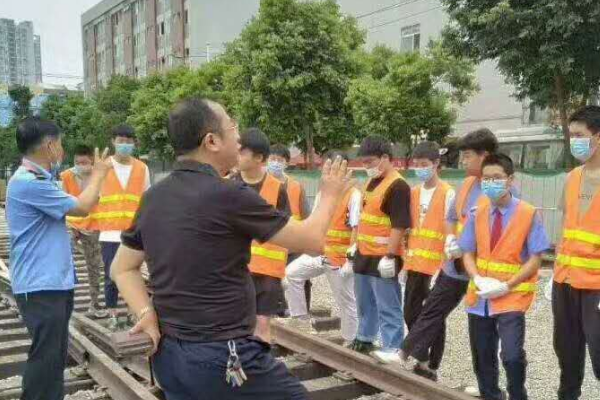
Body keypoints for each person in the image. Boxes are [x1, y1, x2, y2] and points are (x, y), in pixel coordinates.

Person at [110, 97, 353, 400]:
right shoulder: (229, 195)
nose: (238, 136)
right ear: (211, 141)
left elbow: (122, 267)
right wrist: (329, 194)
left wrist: (145, 312)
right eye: (232, 125)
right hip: (222, 356)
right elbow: (311, 240)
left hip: (169, 358)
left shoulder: (154, 196)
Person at [6, 117, 111, 400]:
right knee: (46, 358)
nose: (62, 150)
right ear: (50, 146)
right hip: (40, 285)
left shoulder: (39, 179)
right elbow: (82, 207)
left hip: (52, 282)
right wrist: (99, 173)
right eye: (60, 144)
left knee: (53, 356)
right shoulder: (29, 183)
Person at [393, 128, 501, 376]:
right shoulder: (466, 185)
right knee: (431, 310)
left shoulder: (498, 188)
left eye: (467, 156)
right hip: (455, 266)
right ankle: (408, 355)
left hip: (483, 271)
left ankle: (489, 386)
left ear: (484, 155)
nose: (462, 161)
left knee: (484, 331)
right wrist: (453, 237)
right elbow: (452, 217)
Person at [460, 153, 549, 400]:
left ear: (510, 180)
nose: (490, 183)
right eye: (486, 179)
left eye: (496, 178)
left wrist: (507, 285)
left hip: (511, 297)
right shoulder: (477, 212)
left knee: (511, 355)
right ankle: (491, 395)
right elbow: (467, 251)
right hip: (480, 299)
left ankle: (517, 394)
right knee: (483, 355)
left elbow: (535, 258)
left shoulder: (528, 213)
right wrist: (477, 278)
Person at [372, 141, 455, 380]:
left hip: (436, 267)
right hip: (415, 265)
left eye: (424, 164)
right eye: (416, 165)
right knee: (411, 313)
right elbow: (410, 232)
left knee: (434, 315)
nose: (420, 169)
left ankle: (430, 364)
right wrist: (405, 264)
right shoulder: (414, 192)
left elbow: (451, 232)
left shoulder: (448, 193)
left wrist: (444, 266)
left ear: (436, 164)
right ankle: (423, 356)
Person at [283, 150, 360, 344]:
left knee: (346, 301)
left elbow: (356, 226)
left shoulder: (354, 195)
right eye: (327, 167)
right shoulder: (322, 193)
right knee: (292, 273)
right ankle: (300, 318)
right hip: (322, 252)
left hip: (341, 258)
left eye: (334, 167)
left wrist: (350, 260)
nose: (329, 172)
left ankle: (351, 341)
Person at [553, 105, 600, 400]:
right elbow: (566, 228)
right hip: (565, 281)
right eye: (571, 135)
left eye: (579, 135)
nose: (574, 141)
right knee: (566, 350)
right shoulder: (571, 178)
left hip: (596, 285)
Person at [349, 135, 411, 355]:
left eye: (370, 162)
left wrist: (391, 256)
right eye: (364, 162)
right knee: (365, 303)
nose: (366, 167)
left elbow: (400, 224)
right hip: (365, 254)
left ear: (385, 158)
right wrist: (355, 246)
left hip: (384, 256)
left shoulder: (398, 186)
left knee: (388, 305)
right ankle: (365, 337)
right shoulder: (370, 182)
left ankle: (392, 347)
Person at [231, 128, 290, 343]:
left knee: (263, 327)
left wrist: (285, 269)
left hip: (267, 272)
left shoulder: (278, 189)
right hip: (235, 269)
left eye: (242, 152)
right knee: (236, 324)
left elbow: (286, 229)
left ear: (258, 158)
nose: (237, 156)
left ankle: (259, 368)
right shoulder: (228, 185)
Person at [95, 124, 150, 331]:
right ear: (113, 142)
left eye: (128, 141)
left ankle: (131, 312)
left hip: (134, 233)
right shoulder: (103, 167)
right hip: (109, 233)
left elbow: (147, 198)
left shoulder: (141, 168)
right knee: (112, 275)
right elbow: (94, 196)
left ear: (134, 143)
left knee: (133, 273)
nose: (124, 145)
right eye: (121, 140)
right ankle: (112, 313)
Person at [61, 144, 107, 319]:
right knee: (62, 260)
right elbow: (64, 200)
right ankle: (62, 301)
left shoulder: (100, 176)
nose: (81, 165)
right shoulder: (66, 176)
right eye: (77, 162)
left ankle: (94, 303)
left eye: (84, 162)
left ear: (91, 162)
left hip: (93, 225)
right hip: (72, 225)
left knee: (94, 266)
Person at [268, 143, 312, 315]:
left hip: (294, 246)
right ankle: (278, 312)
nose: (276, 163)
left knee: (301, 278)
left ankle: (302, 313)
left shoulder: (296, 187)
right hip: (270, 246)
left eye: (280, 160)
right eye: (273, 159)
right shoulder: (261, 185)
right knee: (271, 281)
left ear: (286, 163)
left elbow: (306, 217)